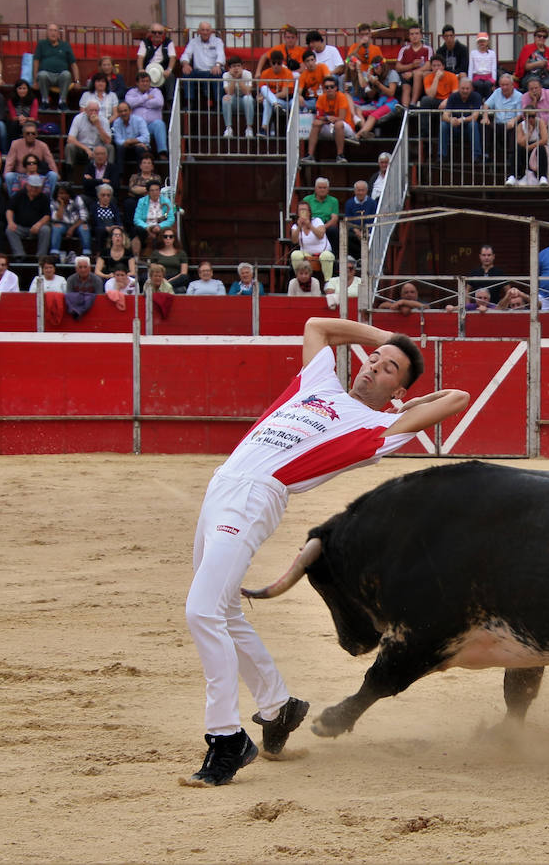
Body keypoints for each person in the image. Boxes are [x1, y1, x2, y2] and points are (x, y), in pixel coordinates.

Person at [180, 322, 464, 782]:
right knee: (224, 612)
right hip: (223, 484)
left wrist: (411, 404)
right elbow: (317, 326)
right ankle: (278, 706)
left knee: (202, 613)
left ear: (399, 387)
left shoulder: (382, 427)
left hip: (256, 497)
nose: (374, 364)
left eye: (390, 367)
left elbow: (459, 399)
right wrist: (384, 339)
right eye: (374, 358)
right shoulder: (320, 382)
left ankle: (226, 739)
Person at [31, 24, 80, 109]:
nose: (53, 33)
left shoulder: (65, 45)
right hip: (46, 75)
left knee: (67, 74)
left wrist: (77, 81)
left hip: (61, 75)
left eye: (55, 30)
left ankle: (62, 102)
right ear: (47, 33)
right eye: (50, 30)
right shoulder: (41, 44)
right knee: (42, 74)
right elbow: (36, 62)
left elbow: (73, 64)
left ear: (58, 33)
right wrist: (35, 80)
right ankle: (45, 101)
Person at [180, 21, 227, 106]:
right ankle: (189, 102)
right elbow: (186, 54)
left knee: (218, 73)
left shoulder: (218, 41)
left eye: (207, 30)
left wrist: (217, 65)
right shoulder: (193, 42)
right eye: (203, 30)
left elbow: (221, 55)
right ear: (199, 31)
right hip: (198, 71)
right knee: (186, 73)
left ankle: (218, 104)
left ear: (211, 31)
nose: (205, 32)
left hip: (213, 71)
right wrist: (185, 64)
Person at [6, 174, 52, 260]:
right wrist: (10, 222)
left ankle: (41, 257)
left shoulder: (44, 198)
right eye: (32, 186)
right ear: (27, 185)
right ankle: (19, 255)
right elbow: (10, 209)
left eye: (37, 187)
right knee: (9, 230)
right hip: (21, 227)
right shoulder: (19, 195)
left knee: (46, 230)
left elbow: (47, 215)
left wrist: (39, 224)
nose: (34, 189)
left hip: (37, 228)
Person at [125, 72, 168, 155]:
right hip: (136, 127)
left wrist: (139, 103)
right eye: (142, 81)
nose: (145, 83)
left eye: (147, 81)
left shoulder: (156, 91)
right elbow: (129, 104)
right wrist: (146, 97)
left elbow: (159, 103)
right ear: (137, 83)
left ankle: (162, 152)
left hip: (151, 126)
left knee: (159, 124)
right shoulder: (131, 92)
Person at [65, 100, 112, 176]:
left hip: (98, 149)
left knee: (110, 147)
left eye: (96, 110)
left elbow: (108, 141)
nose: (94, 113)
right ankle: (69, 177)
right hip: (82, 149)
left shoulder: (104, 120)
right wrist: (86, 149)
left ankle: (109, 175)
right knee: (69, 146)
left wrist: (98, 126)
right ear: (86, 111)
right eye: (91, 110)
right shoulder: (78, 118)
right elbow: (70, 139)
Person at [220, 57, 256, 138]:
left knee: (248, 98)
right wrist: (234, 78)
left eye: (238, 66)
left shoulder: (247, 74)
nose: (236, 68)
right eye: (233, 66)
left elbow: (247, 91)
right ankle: (228, 128)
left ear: (242, 67)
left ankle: (249, 129)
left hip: (246, 101)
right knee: (226, 98)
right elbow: (229, 92)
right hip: (234, 100)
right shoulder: (226, 75)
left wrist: (239, 79)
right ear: (229, 68)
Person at [469, 32, 498, 97]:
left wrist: (494, 81)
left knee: (488, 85)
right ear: (477, 43)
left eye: (484, 41)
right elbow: (470, 68)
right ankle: (479, 103)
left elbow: (494, 68)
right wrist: (470, 81)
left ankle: (487, 104)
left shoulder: (492, 53)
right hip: (477, 77)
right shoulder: (473, 53)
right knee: (479, 85)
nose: (482, 43)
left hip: (488, 77)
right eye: (480, 41)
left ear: (487, 42)